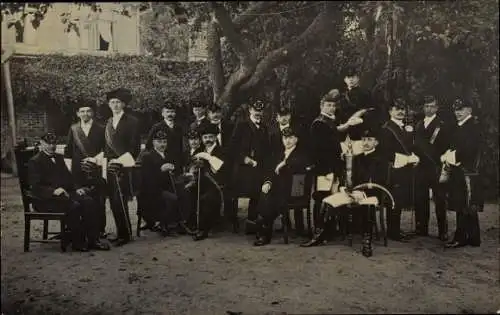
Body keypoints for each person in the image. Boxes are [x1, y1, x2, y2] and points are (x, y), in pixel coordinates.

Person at [301, 129, 386, 257]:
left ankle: (366, 242)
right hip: (353, 192)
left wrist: (363, 193)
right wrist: (343, 188)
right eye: (364, 139)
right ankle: (318, 236)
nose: (366, 142)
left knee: (367, 204)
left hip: (371, 194)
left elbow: (380, 182)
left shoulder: (381, 160)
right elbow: (347, 177)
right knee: (327, 201)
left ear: (376, 142)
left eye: (370, 140)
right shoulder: (356, 158)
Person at [28, 133, 109, 251]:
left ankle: (93, 240)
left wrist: (77, 188)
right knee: (74, 206)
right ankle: (78, 242)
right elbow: (35, 186)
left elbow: (69, 178)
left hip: (65, 195)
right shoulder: (35, 161)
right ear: (42, 144)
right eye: (48, 143)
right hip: (45, 200)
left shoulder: (59, 158)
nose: (52, 146)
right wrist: (53, 191)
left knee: (89, 202)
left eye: (54, 143)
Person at [254, 127, 309, 246]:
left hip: (295, 190)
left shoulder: (301, 153)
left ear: (296, 139)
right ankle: (264, 226)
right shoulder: (278, 154)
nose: (287, 141)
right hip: (280, 190)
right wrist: (268, 182)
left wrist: (285, 163)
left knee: (269, 198)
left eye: (291, 138)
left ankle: (263, 228)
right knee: (265, 192)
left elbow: (302, 163)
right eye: (285, 138)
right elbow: (270, 171)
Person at [378, 98, 420, 242]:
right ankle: (393, 231)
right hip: (392, 169)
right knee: (394, 200)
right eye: (397, 109)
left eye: (403, 109)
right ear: (390, 111)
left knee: (400, 199)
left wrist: (413, 156)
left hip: (403, 169)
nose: (401, 111)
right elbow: (386, 152)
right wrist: (407, 159)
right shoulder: (386, 128)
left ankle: (396, 229)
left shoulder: (404, 128)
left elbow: (409, 148)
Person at [104, 88, 141, 247]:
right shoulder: (108, 122)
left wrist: (120, 160)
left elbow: (135, 146)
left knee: (121, 199)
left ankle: (125, 235)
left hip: (124, 165)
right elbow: (106, 146)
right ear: (109, 104)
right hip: (110, 166)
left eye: (118, 102)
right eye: (112, 102)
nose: (115, 105)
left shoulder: (132, 121)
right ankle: (120, 231)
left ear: (124, 104)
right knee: (113, 200)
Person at [444, 99, 483, 248]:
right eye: (456, 109)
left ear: (470, 110)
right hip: (462, 169)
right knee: (465, 204)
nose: (458, 112)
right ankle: (473, 238)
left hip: (468, 170)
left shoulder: (472, 126)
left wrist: (450, 157)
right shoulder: (461, 126)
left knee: (464, 204)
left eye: (461, 109)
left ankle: (461, 238)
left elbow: (470, 149)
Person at [64, 102, 107, 239]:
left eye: (88, 111)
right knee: (80, 199)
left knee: (98, 199)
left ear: (92, 112)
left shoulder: (101, 128)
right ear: (77, 114)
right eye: (82, 111)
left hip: (95, 168)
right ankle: (81, 230)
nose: (85, 114)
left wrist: (95, 159)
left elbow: (106, 150)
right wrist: (69, 172)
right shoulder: (73, 129)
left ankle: (100, 230)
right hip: (78, 170)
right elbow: (68, 151)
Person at [229, 100, 270, 234]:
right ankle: (234, 222)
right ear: (250, 110)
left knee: (260, 189)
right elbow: (233, 148)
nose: (258, 113)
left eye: (260, 111)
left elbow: (265, 151)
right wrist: (245, 159)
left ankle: (251, 223)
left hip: (258, 167)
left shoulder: (264, 127)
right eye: (255, 110)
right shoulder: (241, 126)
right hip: (242, 168)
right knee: (243, 188)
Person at [413, 96, 451, 241]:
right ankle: (421, 228)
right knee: (420, 198)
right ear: (423, 108)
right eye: (426, 106)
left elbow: (446, 145)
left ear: (437, 108)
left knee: (440, 199)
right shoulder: (418, 124)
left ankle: (443, 230)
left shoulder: (442, 124)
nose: (429, 108)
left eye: (432, 106)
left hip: (435, 166)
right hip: (421, 166)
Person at [309, 90, 344, 237]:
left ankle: (329, 228)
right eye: (328, 105)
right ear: (322, 106)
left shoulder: (331, 121)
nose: (331, 108)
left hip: (333, 165)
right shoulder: (319, 123)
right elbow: (320, 149)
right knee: (321, 197)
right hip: (323, 167)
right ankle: (319, 229)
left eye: (333, 105)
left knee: (332, 196)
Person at [137, 129, 184, 236]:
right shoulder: (147, 156)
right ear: (153, 142)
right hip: (152, 191)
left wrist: (173, 169)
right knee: (172, 198)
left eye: (164, 142)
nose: (162, 144)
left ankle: (179, 223)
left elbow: (177, 170)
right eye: (159, 142)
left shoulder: (169, 155)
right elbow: (147, 179)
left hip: (168, 187)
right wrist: (161, 170)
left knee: (183, 193)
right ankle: (164, 224)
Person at [184, 121, 225, 241]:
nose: (208, 140)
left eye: (210, 137)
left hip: (216, 184)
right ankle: (189, 223)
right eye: (205, 137)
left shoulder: (222, 151)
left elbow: (219, 169)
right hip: (199, 183)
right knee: (187, 192)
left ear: (215, 137)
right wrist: (193, 170)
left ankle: (203, 229)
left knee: (206, 198)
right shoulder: (198, 151)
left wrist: (207, 158)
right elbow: (191, 168)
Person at [207, 104, 238, 232]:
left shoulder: (230, 126)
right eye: (212, 112)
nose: (215, 115)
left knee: (230, 188)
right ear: (208, 114)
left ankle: (230, 217)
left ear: (221, 113)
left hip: (228, 163)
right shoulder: (204, 126)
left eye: (217, 112)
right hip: (210, 165)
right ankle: (213, 218)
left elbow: (234, 144)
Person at [337, 67, 381, 140]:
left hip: (361, 131)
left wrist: (361, 119)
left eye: (353, 77)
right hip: (344, 132)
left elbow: (373, 111)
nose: (351, 79)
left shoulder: (365, 93)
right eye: (348, 77)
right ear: (345, 80)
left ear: (358, 78)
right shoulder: (341, 95)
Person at [145, 103, 184, 169]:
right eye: (167, 112)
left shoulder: (179, 128)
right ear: (162, 113)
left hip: (176, 163)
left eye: (172, 112)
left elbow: (181, 146)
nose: (170, 114)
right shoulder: (156, 127)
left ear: (175, 113)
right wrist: (158, 159)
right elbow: (149, 146)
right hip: (161, 163)